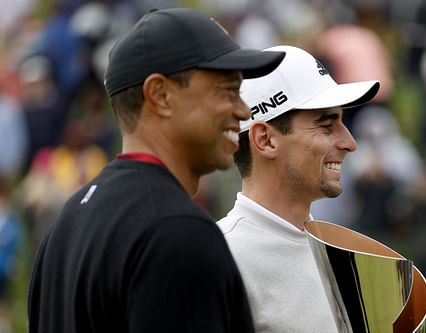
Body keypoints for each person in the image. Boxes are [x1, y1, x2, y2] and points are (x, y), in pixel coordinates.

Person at [28, 8, 284, 333]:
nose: (243, 110)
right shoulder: (177, 232)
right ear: (160, 95)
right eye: (228, 91)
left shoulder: (66, 224)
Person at [218, 45, 379, 332]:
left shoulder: (337, 251)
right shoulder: (219, 257)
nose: (350, 143)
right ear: (266, 139)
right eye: (326, 126)